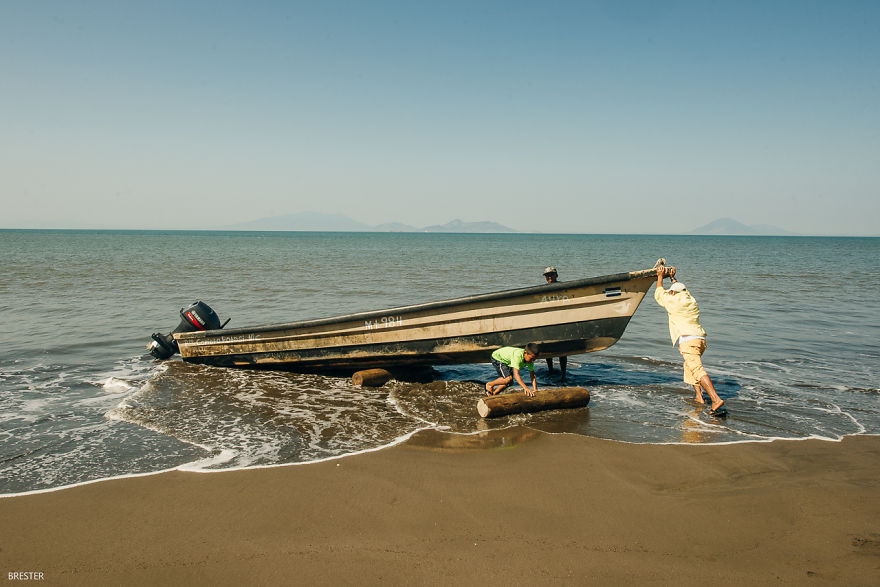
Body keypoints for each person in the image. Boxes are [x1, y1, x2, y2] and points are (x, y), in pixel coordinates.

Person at [654, 266, 727, 416]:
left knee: (698, 370)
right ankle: (699, 397)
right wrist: (673, 278)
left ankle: (715, 399)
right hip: (700, 339)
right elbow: (680, 289)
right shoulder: (691, 299)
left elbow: (658, 293)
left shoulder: (673, 302)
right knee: (690, 367)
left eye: (671, 292)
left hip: (688, 340)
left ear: (673, 293)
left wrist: (660, 276)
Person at [542, 266, 568, 378]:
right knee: (548, 349)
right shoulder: (542, 289)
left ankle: (563, 374)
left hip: (561, 322)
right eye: (547, 275)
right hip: (548, 322)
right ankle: (550, 370)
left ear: (556, 275)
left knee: (563, 350)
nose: (549, 277)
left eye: (551, 275)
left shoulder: (563, 287)